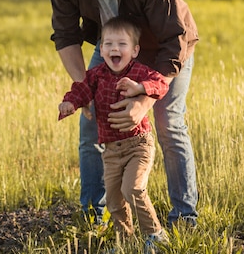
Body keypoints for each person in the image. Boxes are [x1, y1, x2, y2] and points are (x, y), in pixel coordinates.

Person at [49, 0, 199, 227]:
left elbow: (175, 37)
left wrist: (145, 100)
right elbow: (65, 35)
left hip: (164, 49)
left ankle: (184, 216)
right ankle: (95, 215)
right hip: (112, 50)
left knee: (167, 123)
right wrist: (85, 90)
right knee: (90, 126)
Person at [58, 16, 169, 249]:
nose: (114, 49)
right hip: (110, 150)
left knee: (133, 188)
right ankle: (124, 241)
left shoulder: (139, 72)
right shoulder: (96, 74)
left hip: (137, 145)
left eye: (121, 44)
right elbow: (81, 89)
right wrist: (70, 103)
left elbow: (161, 83)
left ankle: (156, 235)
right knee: (114, 199)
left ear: (135, 50)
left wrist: (140, 88)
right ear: (101, 49)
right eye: (107, 44)